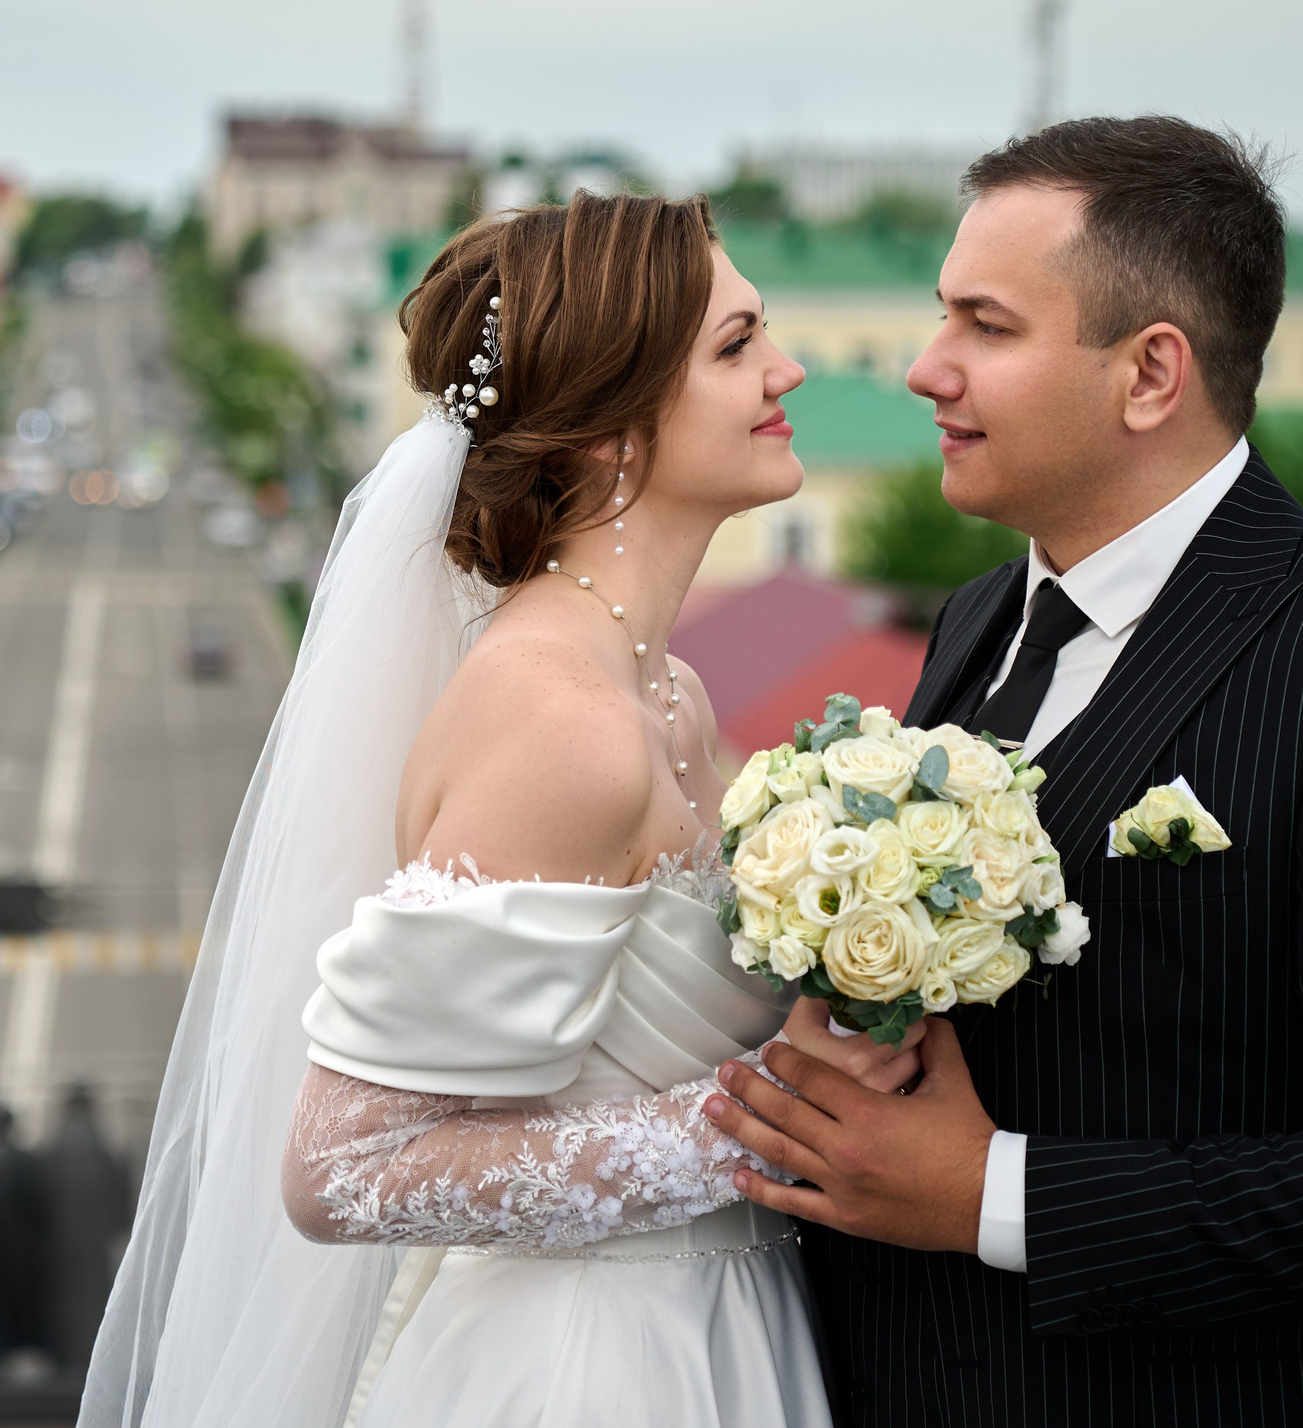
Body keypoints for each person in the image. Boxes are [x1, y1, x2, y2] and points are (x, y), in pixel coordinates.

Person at [703, 116, 1303, 1426]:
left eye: (984, 326)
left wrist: (995, 1192)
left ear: (1151, 371)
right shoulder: (979, 617)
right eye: (941, 315)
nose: (926, 368)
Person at [82, 193, 913, 1428]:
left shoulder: (665, 694)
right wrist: (754, 1126)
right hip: (589, 1369)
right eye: (735, 348)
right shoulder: (558, 719)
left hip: (718, 1325)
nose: (786, 370)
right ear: (606, 434)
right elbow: (341, 1173)